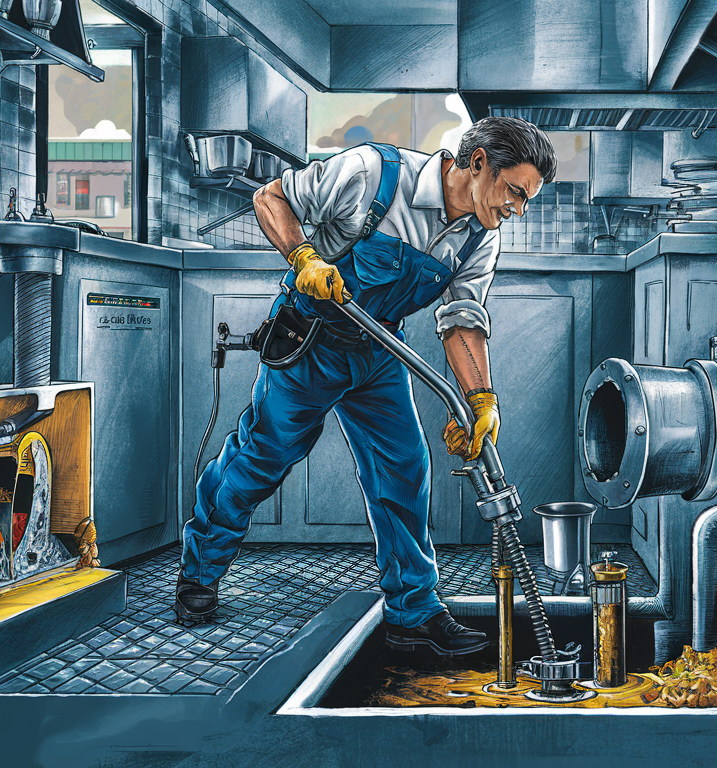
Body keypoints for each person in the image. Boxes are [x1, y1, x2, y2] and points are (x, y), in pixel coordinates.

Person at [177, 117, 557, 656]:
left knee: (405, 466)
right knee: (264, 456)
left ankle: (414, 610)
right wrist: (302, 256)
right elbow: (270, 198)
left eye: (528, 199)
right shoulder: (374, 173)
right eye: (515, 191)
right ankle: (199, 570)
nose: (517, 208)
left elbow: (462, 319)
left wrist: (480, 400)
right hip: (311, 339)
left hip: (380, 351)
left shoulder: (478, 238)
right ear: (478, 165)